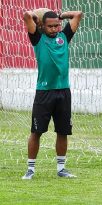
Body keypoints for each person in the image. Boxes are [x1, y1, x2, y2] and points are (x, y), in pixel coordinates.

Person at [22, 9, 83, 179]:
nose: (55, 28)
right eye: (51, 26)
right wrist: (36, 17)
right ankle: (30, 170)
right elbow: (27, 16)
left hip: (64, 91)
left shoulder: (64, 37)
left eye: (57, 25)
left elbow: (77, 14)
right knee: (36, 132)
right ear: (42, 25)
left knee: (63, 131)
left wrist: (61, 16)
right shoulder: (37, 38)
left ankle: (61, 169)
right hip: (44, 93)